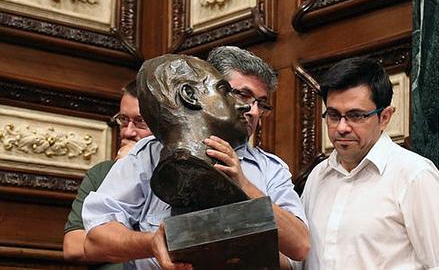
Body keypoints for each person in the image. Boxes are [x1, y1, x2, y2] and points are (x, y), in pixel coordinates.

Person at [81, 47, 310, 269]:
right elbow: (95, 241)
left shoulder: (270, 168)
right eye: (241, 94)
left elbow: (300, 246)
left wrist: (245, 186)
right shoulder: (147, 155)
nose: (251, 110)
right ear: (194, 94)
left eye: (262, 104)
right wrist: (150, 243)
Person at [299, 57, 439, 269]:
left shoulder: (414, 175)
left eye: (355, 116)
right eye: (334, 115)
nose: (341, 127)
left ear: (385, 117)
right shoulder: (317, 177)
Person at [63, 80, 153, 269]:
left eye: (140, 122)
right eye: (123, 120)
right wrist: (125, 170)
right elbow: (73, 246)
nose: (128, 132)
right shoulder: (101, 172)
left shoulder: (175, 173)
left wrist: (108, 244)